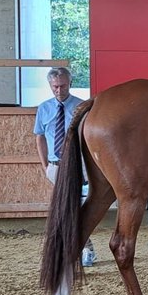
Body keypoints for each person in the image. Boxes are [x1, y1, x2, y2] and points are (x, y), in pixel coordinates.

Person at [34, 66, 95, 267]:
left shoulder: (82, 106)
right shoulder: (44, 109)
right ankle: (77, 246)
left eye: (62, 86)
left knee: (73, 206)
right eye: (55, 87)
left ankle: (83, 247)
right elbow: (40, 138)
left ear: (69, 84)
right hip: (55, 164)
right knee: (64, 208)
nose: (59, 90)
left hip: (77, 164)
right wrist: (45, 166)